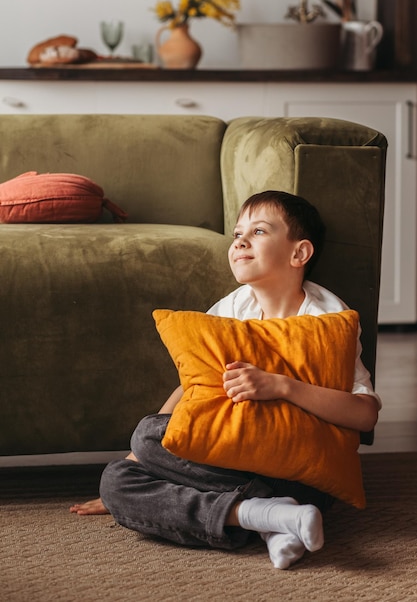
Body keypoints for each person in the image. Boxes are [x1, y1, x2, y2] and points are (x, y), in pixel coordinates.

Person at [70, 190, 381, 569]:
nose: (240, 242)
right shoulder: (235, 307)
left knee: (146, 443)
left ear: (299, 253)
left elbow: (365, 415)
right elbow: (192, 385)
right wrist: (142, 460)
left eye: (259, 231)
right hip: (228, 461)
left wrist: (281, 385)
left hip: (298, 477)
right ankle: (270, 518)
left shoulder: (328, 317)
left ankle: (265, 512)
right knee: (119, 476)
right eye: (237, 234)